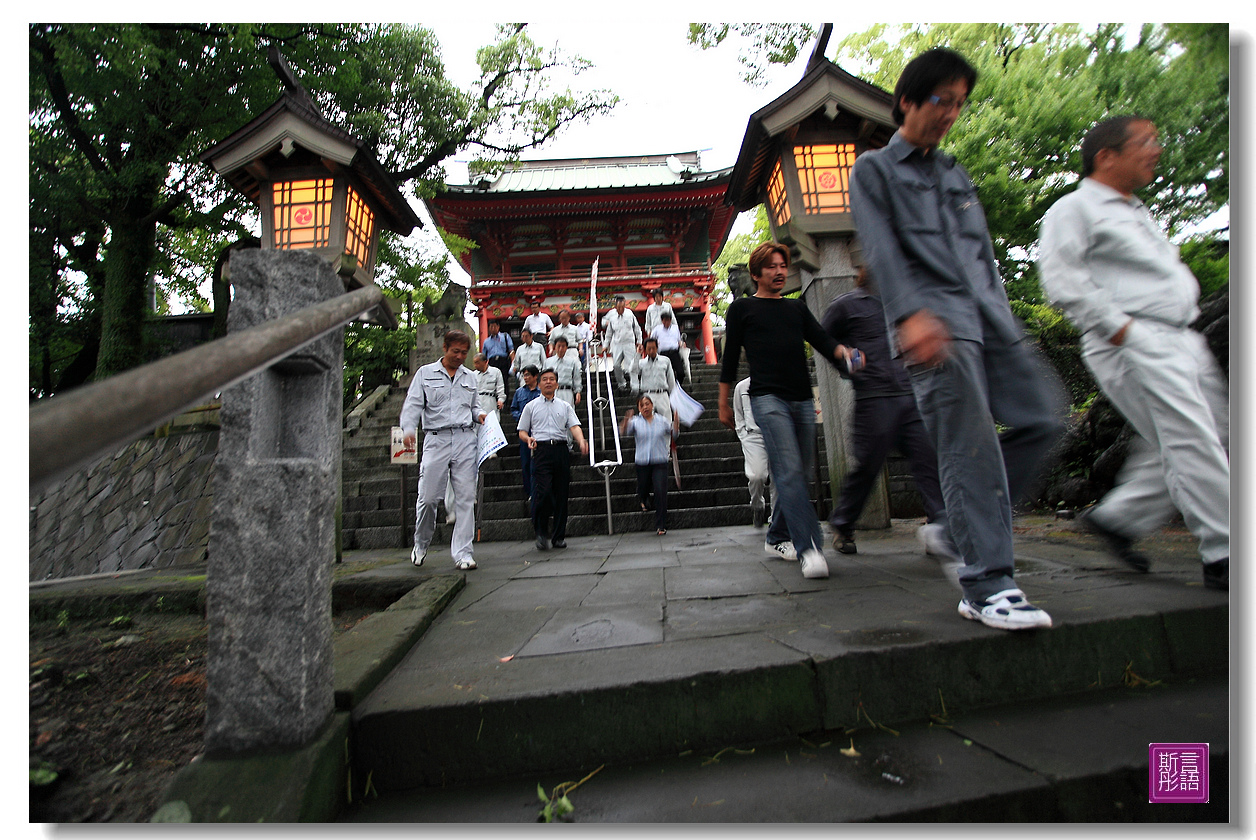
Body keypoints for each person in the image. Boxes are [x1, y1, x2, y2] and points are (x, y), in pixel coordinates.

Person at [850, 47, 1066, 630]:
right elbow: (881, 247)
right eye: (942, 99)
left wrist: (1008, 321)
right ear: (907, 101)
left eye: (959, 103)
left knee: (1044, 417)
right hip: (934, 327)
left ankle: (953, 528)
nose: (951, 112)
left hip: (989, 322)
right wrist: (908, 314)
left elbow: (984, 257)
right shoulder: (874, 170)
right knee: (969, 449)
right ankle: (987, 583)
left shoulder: (955, 174)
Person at [1038, 115, 1229, 590]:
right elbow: (1062, 281)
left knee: (1208, 432)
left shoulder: (1135, 210)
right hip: (1134, 336)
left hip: (1182, 334)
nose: (1156, 149)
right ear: (1107, 155)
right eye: (1146, 141)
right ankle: (1226, 550)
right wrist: (1119, 328)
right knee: (1191, 436)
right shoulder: (1074, 208)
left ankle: (1118, 520)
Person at [718, 241, 859, 580]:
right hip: (767, 399)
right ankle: (809, 547)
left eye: (783, 265)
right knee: (791, 471)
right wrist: (723, 402)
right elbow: (730, 358)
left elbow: (823, 341)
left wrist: (844, 353)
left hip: (801, 398)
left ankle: (777, 535)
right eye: (772, 266)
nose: (780, 271)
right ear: (756, 274)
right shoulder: (741, 310)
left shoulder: (796, 309)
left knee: (801, 473)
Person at [821, 265, 954, 560]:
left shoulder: (905, 306)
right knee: (868, 465)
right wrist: (848, 364)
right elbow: (824, 340)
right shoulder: (845, 305)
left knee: (928, 459)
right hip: (874, 397)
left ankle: (941, 527)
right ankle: (843, 524)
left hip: (910, 393)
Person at [399, 330, 485, 571]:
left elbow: (474, 405)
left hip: (464, 438)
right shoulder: (425, 373)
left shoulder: (469, 377)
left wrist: (479, 415)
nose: (459, 356)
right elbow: (413, 404)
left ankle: (464, 553)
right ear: (445, 348)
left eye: (464, 353)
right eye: (455, 351)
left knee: (466, 498)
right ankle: (421, 542)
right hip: (436, 439)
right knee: (427, 498)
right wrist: (408, 430)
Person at [518, 369, 589, 551]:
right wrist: (528, 439)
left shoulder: (565, 406)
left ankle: (558, 536)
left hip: (560, 450)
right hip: (540, 451)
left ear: (557, 384)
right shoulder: (531, 406)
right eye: (544, 380)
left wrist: (581, 441)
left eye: (552, 379)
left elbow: (574, 426)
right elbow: (522, 431)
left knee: (561, 494)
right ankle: (541, 532)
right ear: (539, 384)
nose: (548, 382)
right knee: (543, 493)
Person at [621, 394, 679, 535]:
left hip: (659, 461)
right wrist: (625, 421)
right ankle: (644, 498)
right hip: (642, 462)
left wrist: (676, 421)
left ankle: (661, 525)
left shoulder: (661, 420)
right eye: (642, 405)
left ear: (652, 405)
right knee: (643, 486)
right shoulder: (635, 422)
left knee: (660, 491)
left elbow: (674, 435)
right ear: (639, 408)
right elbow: (622, 433)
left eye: (647, 404)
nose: (645, 407)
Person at [732, 376, 775, 529]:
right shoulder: (742, 387)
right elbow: (738, 413)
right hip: (753, 435)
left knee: (778, 478)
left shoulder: (776, 381)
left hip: (776, 433)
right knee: (757, 475)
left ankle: (775, 519)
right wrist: (743, 433)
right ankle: (757, 505)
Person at [509, 365, 542, 504]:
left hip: (540, 430)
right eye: (524, 375)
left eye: (528, 375)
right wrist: (521, 417)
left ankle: (540, 491)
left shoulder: (541, 392)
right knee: (526, 463)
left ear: (535, 376)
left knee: (540, 462)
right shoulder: (519, 393)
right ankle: (530, 492)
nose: (526, 378)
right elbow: (513, 409)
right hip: (524, 431)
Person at [602, 295, 642, 393]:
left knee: (631, 366)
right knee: (616, 365)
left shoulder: (629, 314)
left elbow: (637, 328)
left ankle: (635, 386)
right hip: (617, 343)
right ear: (616, 307)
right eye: (619, 307)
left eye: (622, 307)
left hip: (629, 343)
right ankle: (621, 384)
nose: (621, 309)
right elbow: (609, 333)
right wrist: (605, 345)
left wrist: (639, 341)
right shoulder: (612, 315)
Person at [637, 337, 677, 425]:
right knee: (646, 422)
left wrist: (673, 397)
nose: (651, 351)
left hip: (662, 394)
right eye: (649, 349)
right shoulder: (641, 363)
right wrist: (637, 355)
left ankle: (667, 439)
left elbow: (671, 380)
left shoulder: (665, 361)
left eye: (653, 348)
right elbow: (632, 371)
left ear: (657, 348)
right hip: (647, 394)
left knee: (667, 421)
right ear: (645, 350)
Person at [544, 336, 583, 415]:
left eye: (563, 346)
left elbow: (576, 377)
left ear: (566, 348)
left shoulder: (572, 362)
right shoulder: (548, 362)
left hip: (567, 391)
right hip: (553, 392)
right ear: (555, 347)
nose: (561, 349)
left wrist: (578, 392)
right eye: (559, 346)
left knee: (568, 415)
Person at [651, 310, 687, 386]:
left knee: (681, 372)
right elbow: (651, 340)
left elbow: (679, 340)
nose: (667, 323)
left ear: (671, 320)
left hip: (674, 353)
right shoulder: (657, 329)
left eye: (668, 320)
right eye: (665, 321)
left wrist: (682, 344)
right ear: (662, 321)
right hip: (663, 354)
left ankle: (677, 386)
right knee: (664, 373)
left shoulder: (675, 328)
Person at [482, 320, 514, 391]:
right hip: (492, 362)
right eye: (491, 327)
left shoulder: (505, 336)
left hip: (503, 361)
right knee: (492, 381)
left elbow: (511, 351)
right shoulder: (486, 341)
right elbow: (484, 355)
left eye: (495, 326)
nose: (493, 328)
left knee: (504, 381)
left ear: (498, 327)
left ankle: (505, 400)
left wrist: (513, 364)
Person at [472, 352, 505, 418]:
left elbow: (500, 388)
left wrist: (501, 400)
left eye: (477, 363)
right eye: (474, 363)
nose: (475, 365)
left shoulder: (496, 372)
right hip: (478, 401)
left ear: (485, 362)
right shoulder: (473, 374)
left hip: (490, 400)